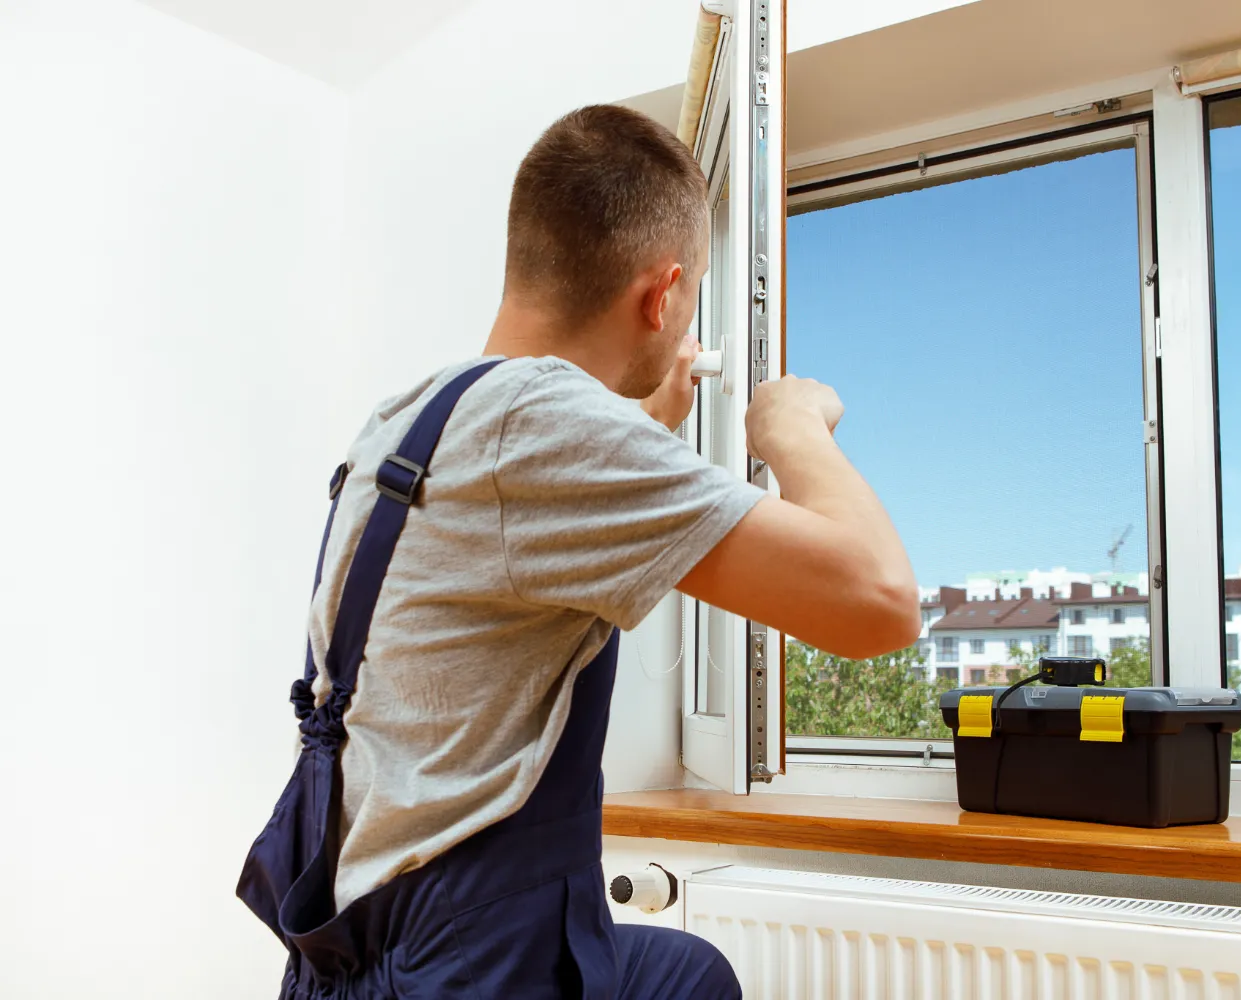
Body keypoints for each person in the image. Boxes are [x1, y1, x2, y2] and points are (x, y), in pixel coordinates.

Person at [237, 104, 919, 999]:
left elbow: (521, 524)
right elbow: (880, 603)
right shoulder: (550, 425)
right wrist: (792, 428)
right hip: (456, 966)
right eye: (690, 301)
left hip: (349, 945)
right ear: (662, 294)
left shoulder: (413, 415)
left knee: (686, 976)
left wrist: (643, 424)